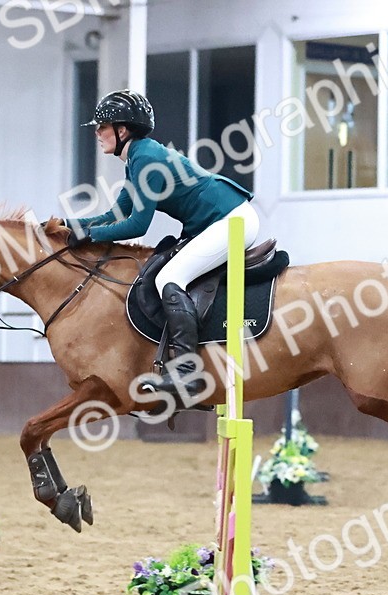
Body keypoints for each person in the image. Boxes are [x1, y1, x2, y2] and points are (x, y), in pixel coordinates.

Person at [64, 89, 259, 405]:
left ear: (122, 130)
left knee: (168, 279)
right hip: (218, 221)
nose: (98, 133)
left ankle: (185, 372)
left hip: (230, 221)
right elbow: (116, 213)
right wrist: (70, 226)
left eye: (102, 126)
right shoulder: (138, 157)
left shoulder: (147, 158)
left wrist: (92, 236)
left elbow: (138, 226)